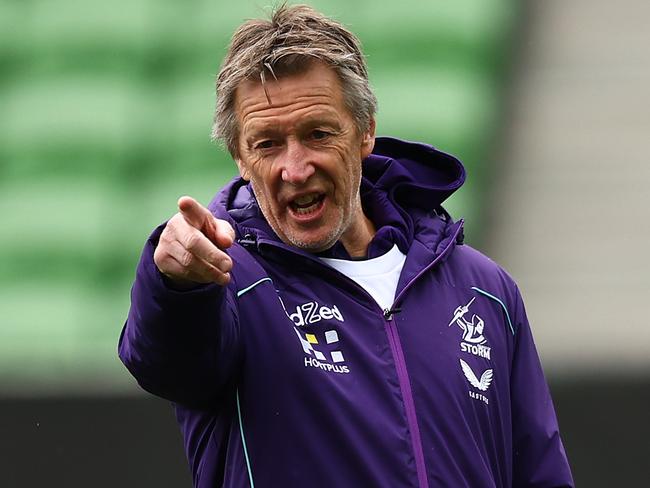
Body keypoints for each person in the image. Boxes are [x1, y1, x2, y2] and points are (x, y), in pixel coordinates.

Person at [118, 5, 574, 487]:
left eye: (317, 134)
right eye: (267, 144)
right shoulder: (226, 281)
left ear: (365, 131)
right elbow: (166, 364)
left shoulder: (485, 291)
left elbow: (540, 472)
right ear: (240, 157)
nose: (294, 168)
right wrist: (174, 286)